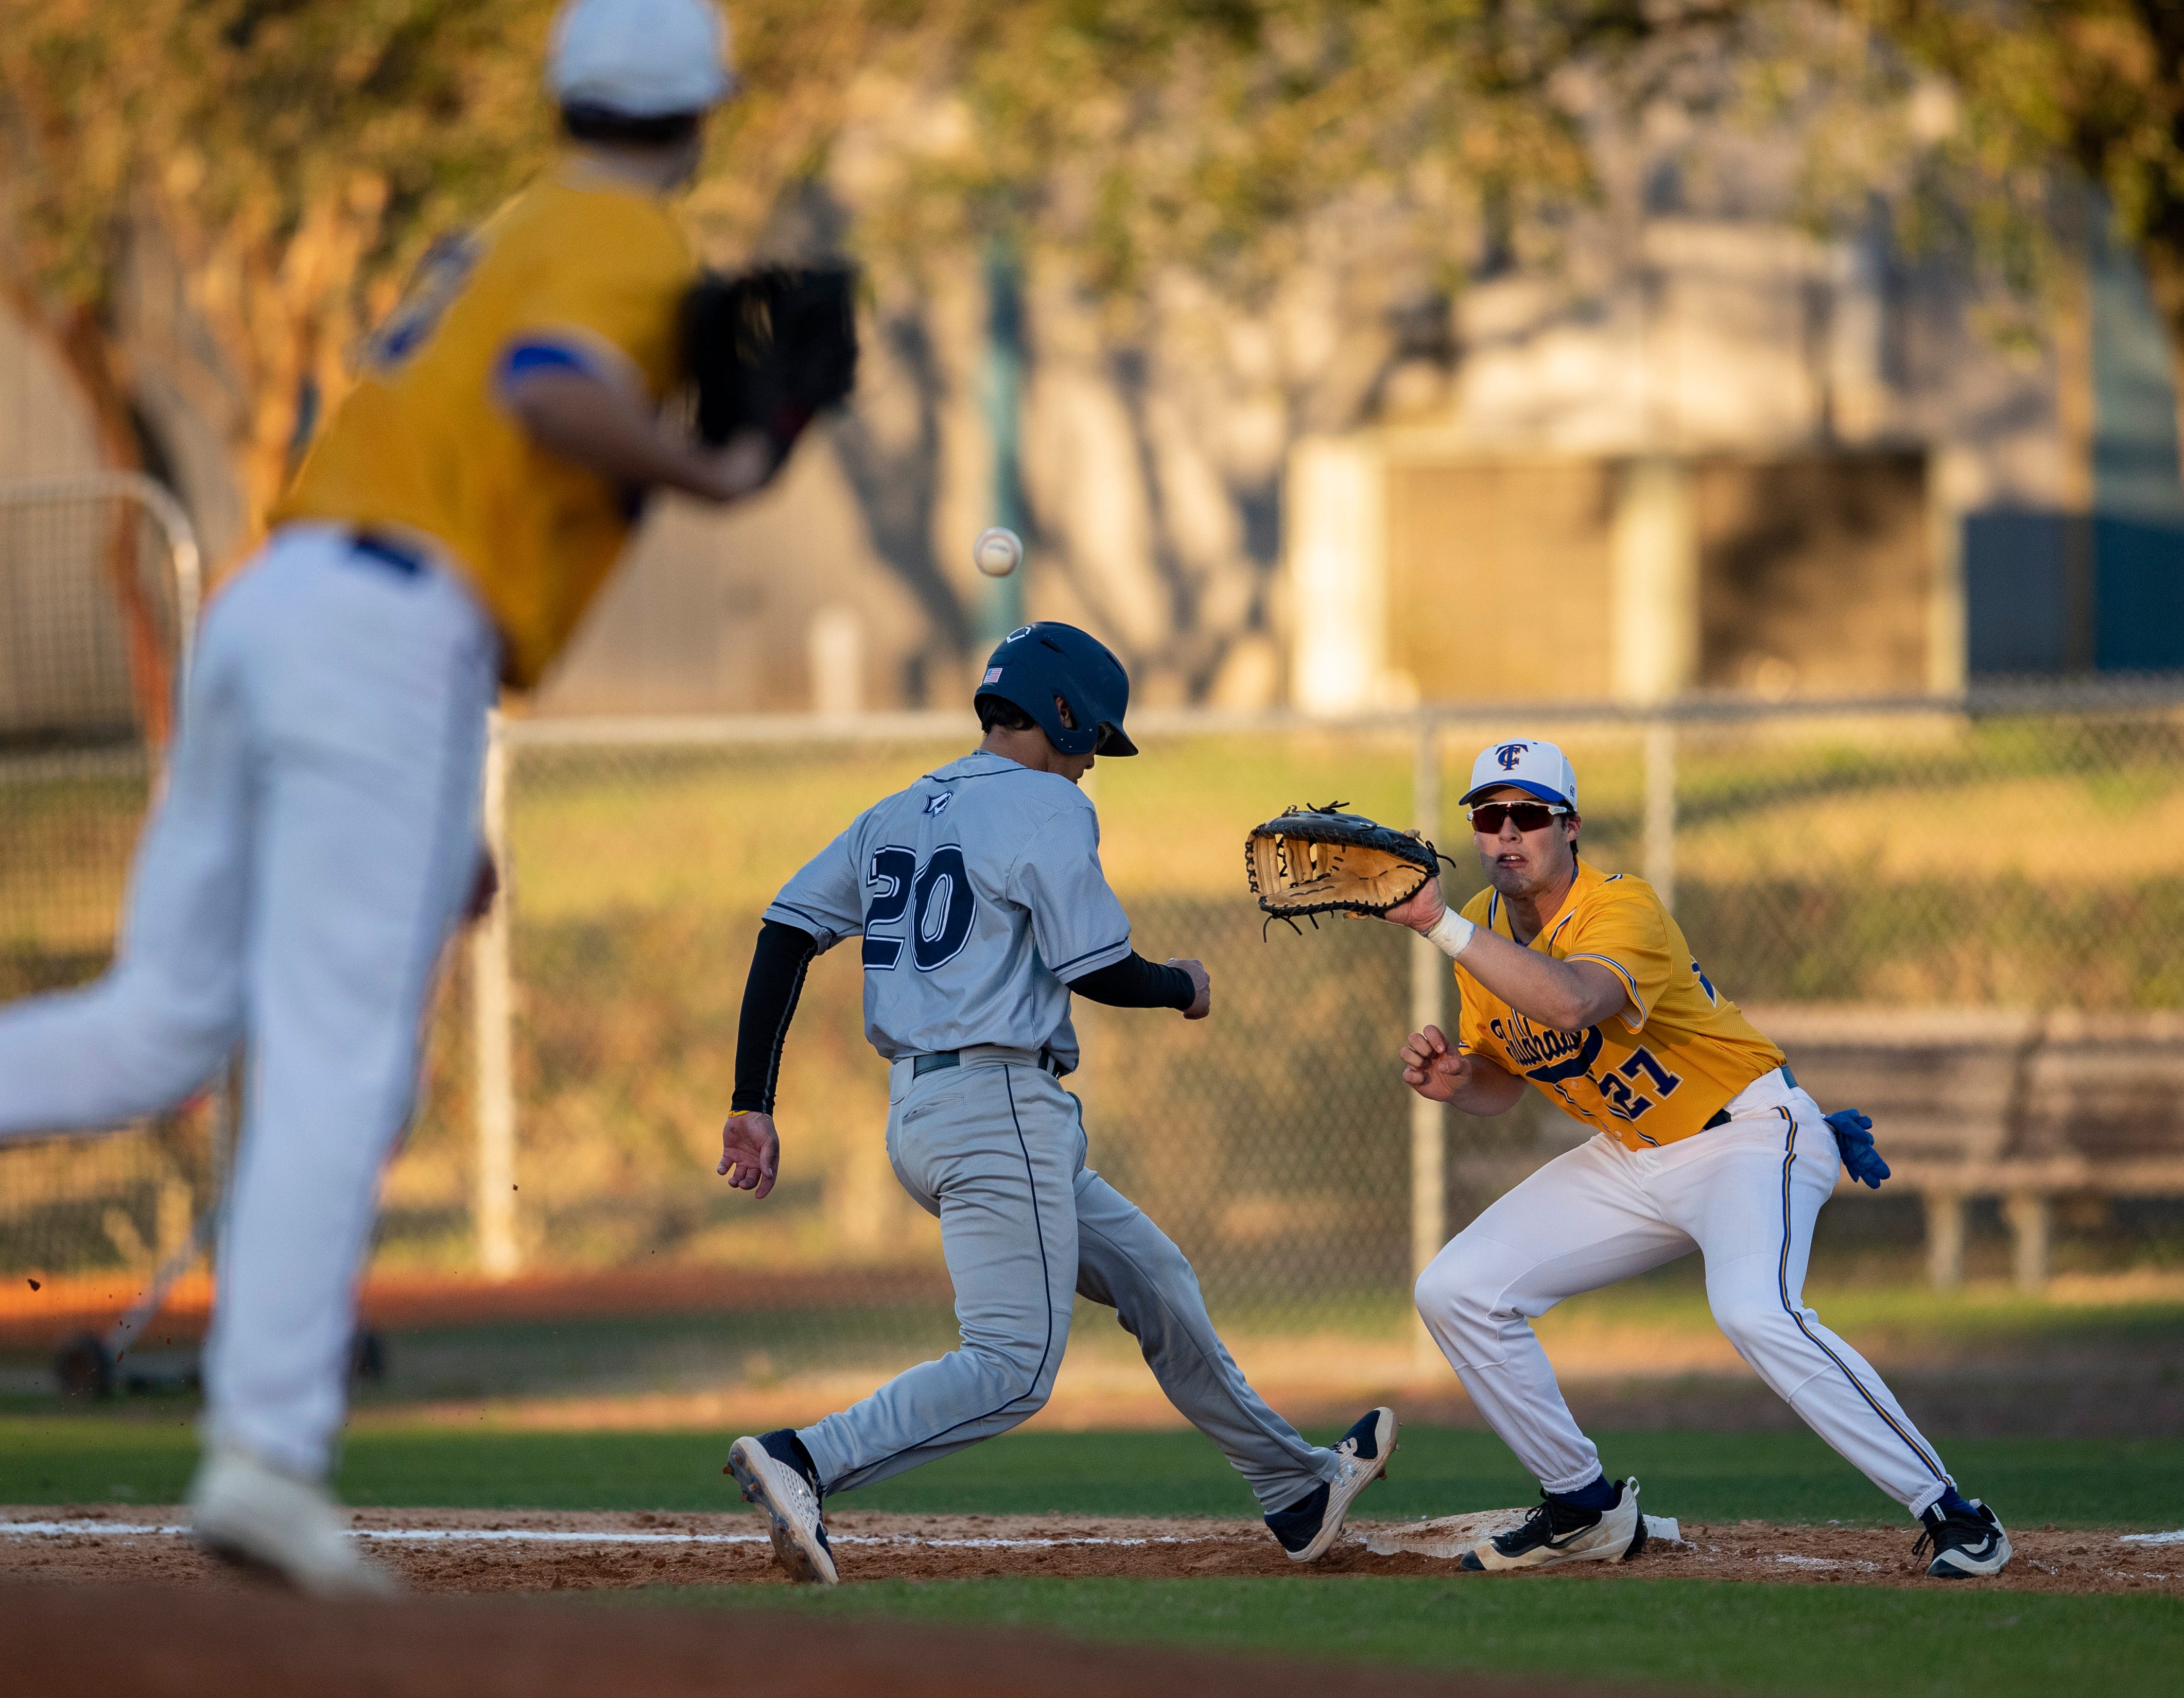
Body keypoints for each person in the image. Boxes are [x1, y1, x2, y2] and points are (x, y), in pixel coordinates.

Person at [0, 0, 771, 1594]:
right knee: (343, 1065)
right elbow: (555, 391)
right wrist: (711, 473)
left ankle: (267, 1454)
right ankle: (267, 1458)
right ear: (703, 113)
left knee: (158, 1022)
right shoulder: (630, 243)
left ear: (564, 93)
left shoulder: (513, 227)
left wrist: (442, 806)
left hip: (288, 607)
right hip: (384, 637)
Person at [716, 621, 1396, 1584]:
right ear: (1062, 715)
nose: (1089, 767)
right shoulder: (1044, 804)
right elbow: (1102, 969)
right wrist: (1181, 984)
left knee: (1155, 1279)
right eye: (1091, 743)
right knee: (1012, 1367)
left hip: (925, 1112)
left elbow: (785, 930)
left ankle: (1293, 1486)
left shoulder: (899, 809)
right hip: (997, 1107)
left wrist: (753, 1098)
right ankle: (805, 1459)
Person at [1375, 738, 2011, 1580]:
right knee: (1455, 1289)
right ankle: (1583, 1506)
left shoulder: (1619, 907)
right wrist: (1460, 1079)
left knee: (1753, 1311)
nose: (1506, 833)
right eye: (1488, 815)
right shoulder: (1487, 940)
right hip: (1634, 1155)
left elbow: (1570, 1003)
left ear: (1570, 828)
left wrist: (1437, 925)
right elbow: (1509, 1077)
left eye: (1528, 814)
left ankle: (1954, 1512)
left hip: (1749, 1133)